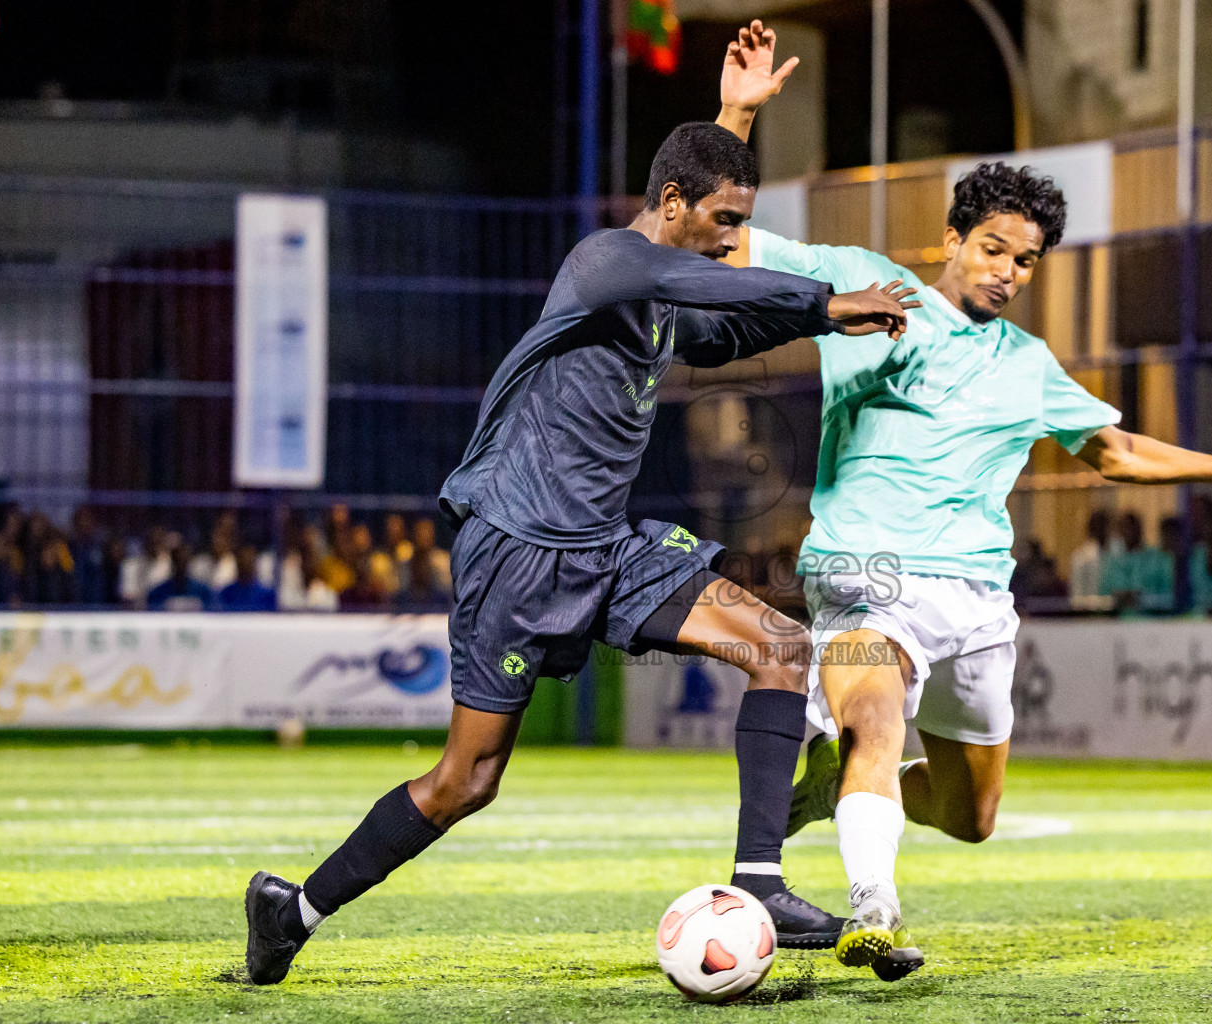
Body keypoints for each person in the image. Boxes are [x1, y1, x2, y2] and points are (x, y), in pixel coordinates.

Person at [244, 88, 917, 984]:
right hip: (517, 551)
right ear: (670, 202)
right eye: (723, 220)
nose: (734, 239)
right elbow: (698, 277)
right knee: (465, 781)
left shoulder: (662, 298)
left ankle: (762, 881)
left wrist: (743, 136)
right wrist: (827, 299)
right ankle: (291, 911)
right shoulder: (603, 261)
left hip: (606, 548)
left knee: (780, 647)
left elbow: (727, 317)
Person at [717, 24, 1212, 980]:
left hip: (975, 601)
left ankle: (838, 786)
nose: (1005, 270)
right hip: (866, 576)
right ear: (953, 239)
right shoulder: (864, 285)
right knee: (875, 718)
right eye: (992, 247)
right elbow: (727, 239)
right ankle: (873, 910)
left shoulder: (1028, 364)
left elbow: (1114, 451)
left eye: (1026, 260)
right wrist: (737, 116)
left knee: (973, 816)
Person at [145, 543, 216, 611]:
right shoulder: (158, 593)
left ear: (188, 561)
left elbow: (211, 610)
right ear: (173, 561)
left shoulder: (202, 591)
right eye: (177, 559)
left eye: (184, 560)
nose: (181, 563)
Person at [220, 545, 278, 612]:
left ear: (254, 562)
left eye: (249, 560)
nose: (245, 564)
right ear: (237, 563)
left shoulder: (267, 594)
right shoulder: (227, 593)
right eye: (242, 560)